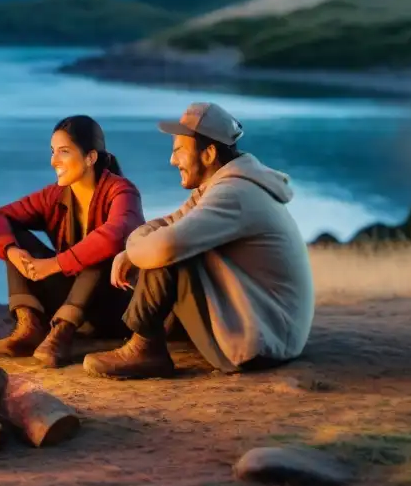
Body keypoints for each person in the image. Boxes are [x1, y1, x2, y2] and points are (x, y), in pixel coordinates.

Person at [83, 102, 315, 379]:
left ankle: (145, 349)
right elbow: (170, 222)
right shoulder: (221, 187)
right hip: (266, 326)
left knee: (170, 251)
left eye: (179, 151)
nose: (172, 161)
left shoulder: (233, 194)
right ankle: (154, 336)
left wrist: (132, 253)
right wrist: (135, 249)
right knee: (168, 242)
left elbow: (165, 244)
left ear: (209, 154)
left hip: (263, 341)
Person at [0, 115, 145, 367]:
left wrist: (56, 264)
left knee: (101, 248)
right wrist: (12, 251)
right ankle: (29, 325)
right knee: (12, 237)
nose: (54, 160)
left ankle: (61, 333)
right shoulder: (54, 196)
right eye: (52, 151)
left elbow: (116, 235)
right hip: (72, 299)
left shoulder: (121, 191)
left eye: (64, 152)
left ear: (90, 157)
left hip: (116, 307)